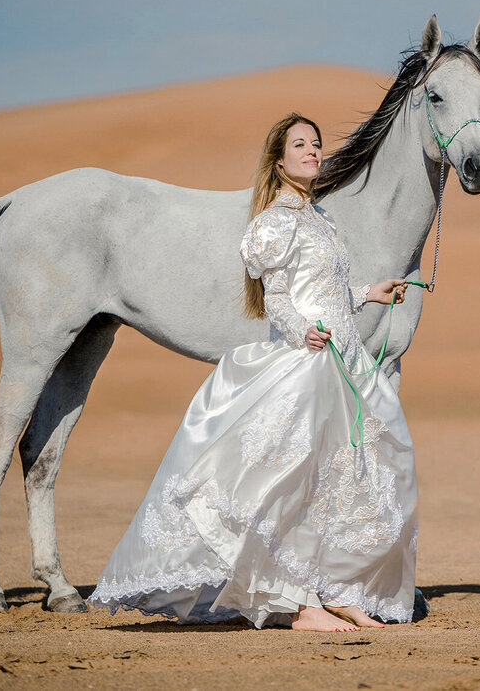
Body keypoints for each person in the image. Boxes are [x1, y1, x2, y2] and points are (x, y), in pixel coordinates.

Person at [87, 113, 418, 632]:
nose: (312, 152)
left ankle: (342, 593)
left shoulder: (320, 218)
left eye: (316, 144)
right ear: (279, 160)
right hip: (307, 363)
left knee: (346, 478)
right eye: (300, 145)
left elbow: (324, 291)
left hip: (344, 361)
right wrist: (300, 331)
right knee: (297, 485)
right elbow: (278, 300)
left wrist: (368, 294)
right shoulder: (276, 220)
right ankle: (303, 605)